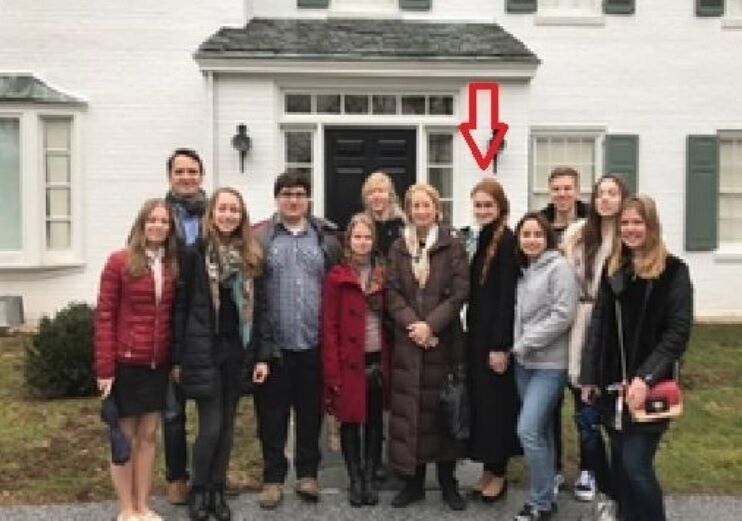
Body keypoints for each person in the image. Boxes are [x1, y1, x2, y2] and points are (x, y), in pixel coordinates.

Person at [581, 195, 693, 521]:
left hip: (650, 387)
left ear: (651, 225)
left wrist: (646, 377)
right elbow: (599, 325)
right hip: (613, 387)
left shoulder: (674, 272)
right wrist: (589, 376)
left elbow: (677, 334)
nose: (631, 229)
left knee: (636, 466)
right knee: (620, 464)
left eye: (638, 222)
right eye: (625, 223)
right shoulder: (615, 268)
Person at [172, 187, 267, 521]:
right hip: (204, 350)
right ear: (212, 214)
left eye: (234, 210)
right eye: (223, 209)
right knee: (210, 426)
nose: (228, 215)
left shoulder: (251, 256)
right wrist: (177, 357)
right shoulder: (194, 254)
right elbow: (180, 308)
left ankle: (216, 489)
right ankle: (199, 489)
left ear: (242, 216)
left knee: (227, 426)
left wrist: (261, 356)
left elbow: (260, 310)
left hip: (237, 351)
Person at [253, 172, 342, 509]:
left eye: (299, 194)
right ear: (277, 198)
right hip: (275, 346)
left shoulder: (325, 239)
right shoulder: (261, 239)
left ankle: (308, 474)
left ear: (308, 199)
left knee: (309, 414)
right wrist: (261, 347)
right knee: (272, 416)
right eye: (287, 194)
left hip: (313, 343)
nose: (293, 200)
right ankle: (273, 478)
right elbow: (254, 296)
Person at [385, 183, 470, 511]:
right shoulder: (398, 247)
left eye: (426, 205)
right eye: (415, 205)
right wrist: (415, 327)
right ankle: (414, 484)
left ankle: (448, 483)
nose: (421, 211)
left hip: (443, 342)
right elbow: (392, 293)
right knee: (412, 414)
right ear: (408, 210)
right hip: (409, 343)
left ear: (437, 209)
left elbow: (460, 292)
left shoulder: (453, 245)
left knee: (442, 411)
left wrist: (430, 326)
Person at [95, 198, 179, 521]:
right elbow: (104, 316)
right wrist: (105, 368)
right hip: (126, 362)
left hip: (157, 364)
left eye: (164, 221)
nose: (158, 226)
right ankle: (126, 508)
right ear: (142, 224)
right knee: (125, 437)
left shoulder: (171, 265)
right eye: (152, 220)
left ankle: (143, 505)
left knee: (149, 436)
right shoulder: (119, 262)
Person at [562, 175, 629, 504]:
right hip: (581, 317)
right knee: (583, 400)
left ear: (623, 198)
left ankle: (619, 474)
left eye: (612, 193)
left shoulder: (629, 235)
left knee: (611, 400)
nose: (605, 199)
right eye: (600, 193)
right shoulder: (578, 234)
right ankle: (589, 467)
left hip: (615, 323)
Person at [511, 212, 578, 521]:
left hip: (550, 365)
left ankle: (538, 501)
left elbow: (563, 314)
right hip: (524, 364)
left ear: (548, 237)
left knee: (527, 430)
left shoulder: (559, 268)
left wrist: (525, 342)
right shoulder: (524, 270)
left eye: (537, 234)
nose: (531, 240)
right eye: (526, 234)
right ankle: (547, 497)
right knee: (542, 432)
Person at [321, 213, 388, 507]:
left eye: (367, 237)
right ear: (348, 241)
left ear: (374, 241)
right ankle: (355, 478)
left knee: (374, 418)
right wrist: (332, 369)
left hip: (377, 354)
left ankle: (370, 476)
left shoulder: (383, 275)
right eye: (357, 237)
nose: (362, 242)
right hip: (350, 358)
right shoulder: (337, 276)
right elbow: (329, 325)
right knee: (350, 419)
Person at [464, 179, 521, 503]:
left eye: (488, 205)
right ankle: (487, 469)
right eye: (478, 205)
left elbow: (507, 298)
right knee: (483, 406)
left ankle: (499, 473)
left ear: (500, 207)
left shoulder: (507, 242)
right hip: (478, 335)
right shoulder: (485, 237)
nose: (483, 210)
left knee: (496, 407)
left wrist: (500, 345)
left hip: (494, 339)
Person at [162, 148, 208, 505]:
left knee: (211, 409)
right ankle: (177, 477)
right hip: (168, 316)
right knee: (173, 409)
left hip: (207, 319)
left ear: (201, 176)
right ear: (170, 176)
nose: (187, 177)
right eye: (180, 172)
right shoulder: (159, 216)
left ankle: (209, 473)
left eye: (193, 171)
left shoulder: (215, 213)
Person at [539, 165, 588, 492]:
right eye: (557, 188)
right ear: (550, 191)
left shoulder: (591, 223)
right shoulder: (540, 223)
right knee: (550, 403)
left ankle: (588, 469)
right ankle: (554, 467)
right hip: (551, 320)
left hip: (583, 318)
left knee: (584, 399)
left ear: (577, 190)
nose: (562, 194)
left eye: (568, 188)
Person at [361, 171, 406, 261]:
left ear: (390, 195)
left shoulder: (403, 223)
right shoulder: (362, 224)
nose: (376, 196)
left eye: (381, 191)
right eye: (371, 192)